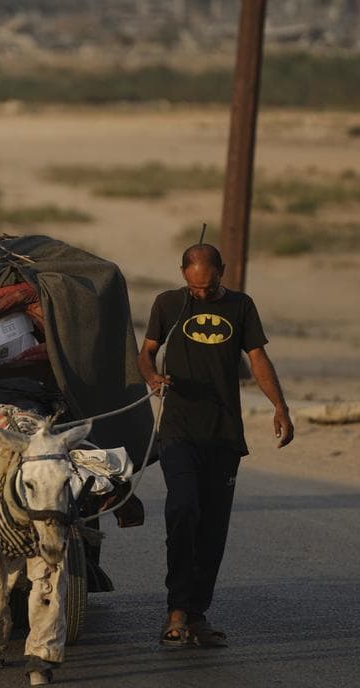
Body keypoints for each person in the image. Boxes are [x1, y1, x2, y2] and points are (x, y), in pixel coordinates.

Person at [137, 243, 294, 648]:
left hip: (223, 433)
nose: (201, 293)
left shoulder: (242, 306)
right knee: (183, 508)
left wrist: (280, 405)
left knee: (212, 527)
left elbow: (258, 358)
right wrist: (153, 378)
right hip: (178, 430)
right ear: (183, 274)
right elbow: (146, 353)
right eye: (194, 287)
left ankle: (197, 614)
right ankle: (175, 609)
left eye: (208, 287)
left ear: (222, 271)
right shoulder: (168, 303)